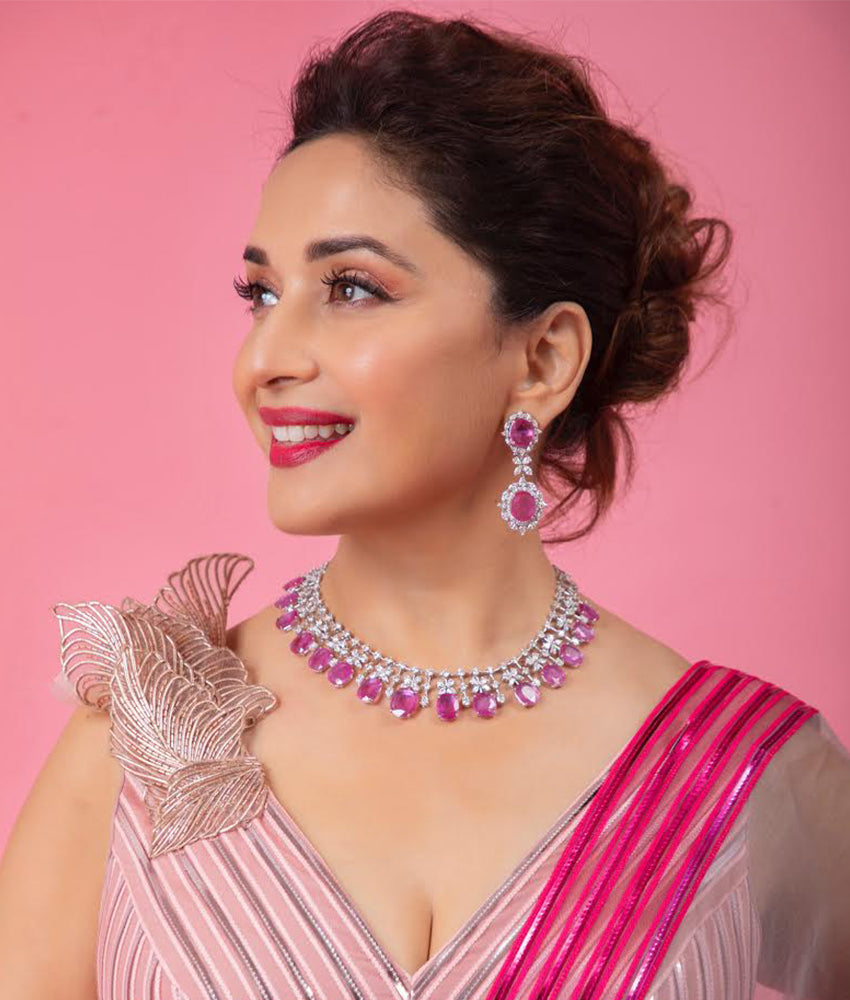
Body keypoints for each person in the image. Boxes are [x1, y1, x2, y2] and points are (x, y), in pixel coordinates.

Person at [1, 8, 848, 1000]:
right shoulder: (142, 741)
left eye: (352, 288)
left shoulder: (748, 776)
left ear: (543, 359)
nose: (265, 359)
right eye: (261, 294)